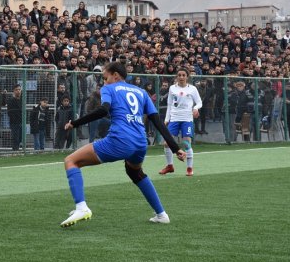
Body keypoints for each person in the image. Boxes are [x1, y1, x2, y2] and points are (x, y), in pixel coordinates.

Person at [61, 62, 185, 227]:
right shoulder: (141, 92)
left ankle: (81, 207)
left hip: (120, 140)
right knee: (135, 173)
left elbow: (103, 110)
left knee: (71, 161)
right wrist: (176, 148)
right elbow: (157, 122)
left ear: (115, 75)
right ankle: (161, 214)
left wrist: (75, 123)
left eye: (106, 78)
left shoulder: (109, 89)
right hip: (140, 142)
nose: (104, 82)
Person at [159, 68, 202, 177]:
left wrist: (196, 108)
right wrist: (166, 119)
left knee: (186, 143)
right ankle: (170, 166)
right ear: (176, 77)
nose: (181, 77)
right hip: (174, 118)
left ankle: (189, 168)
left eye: (183, 75)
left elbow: (199, 102)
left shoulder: (192, 89)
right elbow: (169, 105)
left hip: (187, 119)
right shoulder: (172, 88)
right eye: (179, 75)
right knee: (166, 143)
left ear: (187, 77)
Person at [6, 84, 24, 151]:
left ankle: (17, 149)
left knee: (20, 138)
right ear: (14, 91)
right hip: (14, 122)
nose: (18, 91)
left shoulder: (22, 100)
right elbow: (9, 112)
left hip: (21, 121)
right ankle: (15, 151)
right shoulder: (11, 100)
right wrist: (14, 118)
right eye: (16, 90)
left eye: (19, 89)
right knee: (15, 138)